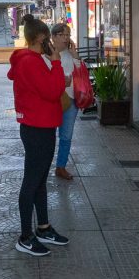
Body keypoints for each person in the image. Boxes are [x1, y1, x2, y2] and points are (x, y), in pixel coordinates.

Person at [8, 16, 69, 256]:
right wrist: (56, 63)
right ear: (42, 38)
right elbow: (53, 91)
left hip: (42, 124)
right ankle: (25, 236)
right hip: (37, 126)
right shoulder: (30, 62)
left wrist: (54, 70)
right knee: (32, 181)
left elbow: (47, 88)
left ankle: (43, 227)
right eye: (49, 41)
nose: (52, 45)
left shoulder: (30, 60)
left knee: (40, 179)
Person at [51, 23, 78, 180]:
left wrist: (76, 57)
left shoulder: (71, 54)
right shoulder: (45, 56)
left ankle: (61, 166)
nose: (66, 38)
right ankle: (44, 164)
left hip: (70, 100)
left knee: (66, 136)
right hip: (52, 100)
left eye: (68, 34)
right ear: (53, 37)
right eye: (62, 35)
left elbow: (81, 74)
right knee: (48, 136)